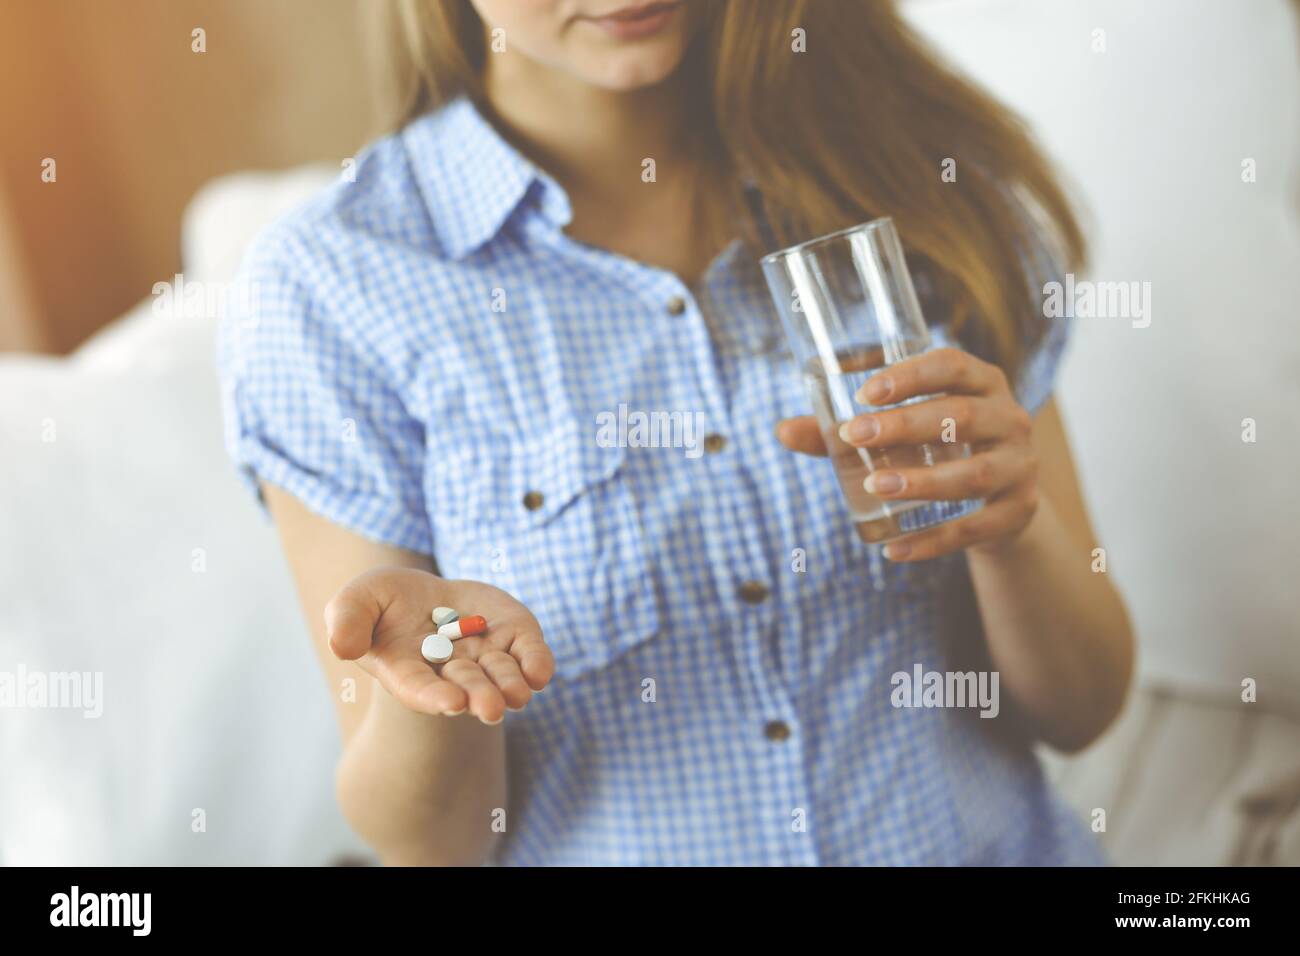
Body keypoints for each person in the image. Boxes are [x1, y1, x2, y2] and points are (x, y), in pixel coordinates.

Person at [217, 0, 1134, 865]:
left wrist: (1013, 532)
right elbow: (431, 845)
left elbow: (1081, 710)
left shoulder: (928, 188)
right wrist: (437, 686)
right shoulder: (333, 285)